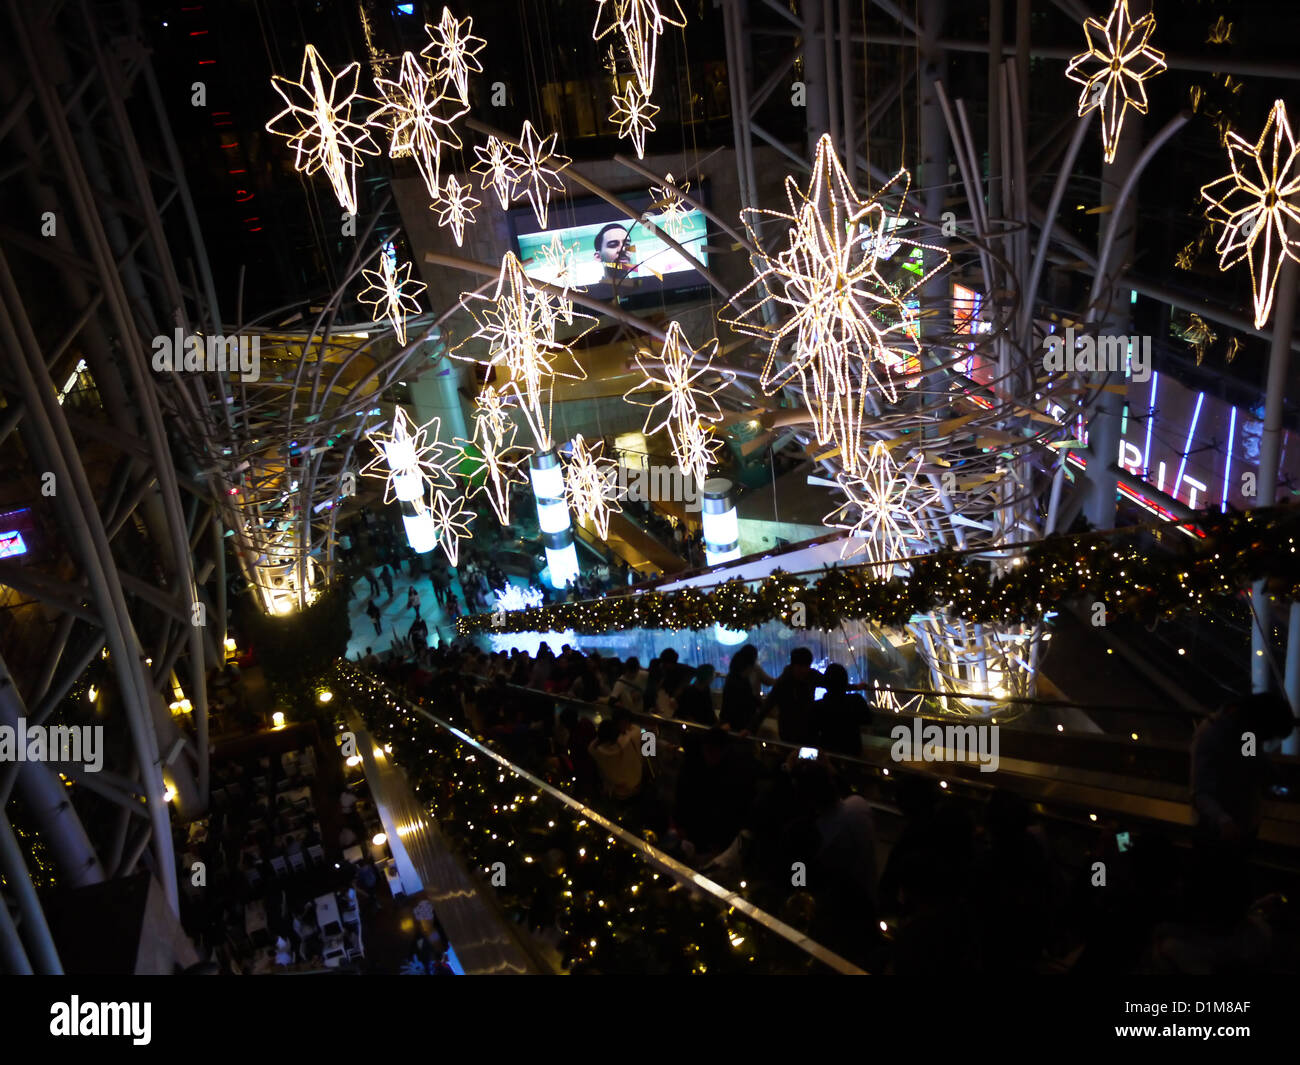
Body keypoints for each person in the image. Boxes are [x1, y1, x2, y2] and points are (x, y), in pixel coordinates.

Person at [752, 647, 822, 745]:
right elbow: (767, 705)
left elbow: (830, 683)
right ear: (793, 666)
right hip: (789, 729)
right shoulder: (783, 682)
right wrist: (751, 728)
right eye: (800, 667)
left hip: (806, 727)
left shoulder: (812, 675)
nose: (804, 671)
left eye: (807, 666)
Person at [814, 663, 873, 757]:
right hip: (853, 750)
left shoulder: (818, 706)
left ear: (825, 683)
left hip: (828, 752)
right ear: (845, 681)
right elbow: (867, 722)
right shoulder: (857, 700)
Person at [587, 712, 644, 800]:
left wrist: (601, 737)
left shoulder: (595, 750)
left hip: (615, 791)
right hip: (635, 785)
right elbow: (637, 729)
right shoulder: (629, 740)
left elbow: (592, 745)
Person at [721, 647, 759, 731]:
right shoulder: (739, 683)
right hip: (739, 726)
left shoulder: (733, 678)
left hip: (733, 725)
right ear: (748, 667)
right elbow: (743, 705)